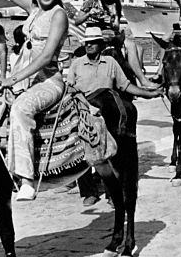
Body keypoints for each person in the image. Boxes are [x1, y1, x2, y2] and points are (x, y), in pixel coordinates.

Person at [0, 0, 69, 201]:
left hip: (48, 81)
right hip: (25, 79)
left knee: (21, 108)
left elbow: (45, 57)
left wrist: (11, 78)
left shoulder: (59, 15)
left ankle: (27, 179)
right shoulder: (33, 9)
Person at [67, 27, 160, 206]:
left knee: (110, 152)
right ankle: (88, 192)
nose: (89, 45)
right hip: (85, 112)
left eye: (93, 42)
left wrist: (148, 93)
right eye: (87, 42)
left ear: (101, 45)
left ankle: (112, 193)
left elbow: (125, 85)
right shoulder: (77, 64)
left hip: (106, 113)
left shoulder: (110, 62)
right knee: (83, 152)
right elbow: (70, 89)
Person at [73, 0, 146, 85]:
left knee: (139, 48)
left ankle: (135, 78)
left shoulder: (114, 3)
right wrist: (89, 14)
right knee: (130, 46)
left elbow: (116, 26)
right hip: (96, 33)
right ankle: (142, 80)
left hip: (111, 34)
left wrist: (112, 21)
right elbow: (77, 21)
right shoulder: (92, 0)